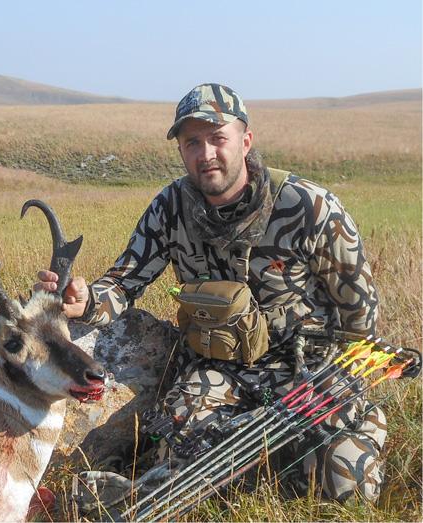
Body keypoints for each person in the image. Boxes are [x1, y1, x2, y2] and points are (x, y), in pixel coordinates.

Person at [36, 83, 385, 502]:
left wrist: (339, 382)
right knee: (180, 461)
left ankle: (325, 440)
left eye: (218, 138)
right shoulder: (169, 207)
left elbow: (360, 317)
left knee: (348, 486)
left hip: (309, 372)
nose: (206, 154)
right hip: (220, 372)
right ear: (181, 150)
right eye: (192, 143)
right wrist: (86, 300)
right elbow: (124, 283)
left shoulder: (309, 207)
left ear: (245, 140)